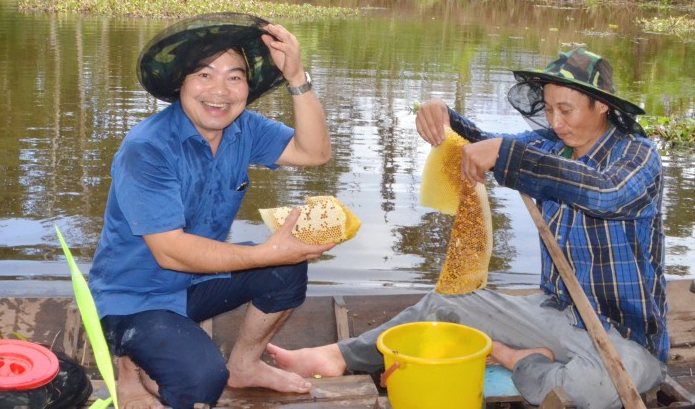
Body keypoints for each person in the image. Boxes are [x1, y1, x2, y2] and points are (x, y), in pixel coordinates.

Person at [269, 47, 667, 409]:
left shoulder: (637, 155)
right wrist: (444, 114)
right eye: (548, 109)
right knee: (450, 303)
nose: (555, 121)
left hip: (625, 337)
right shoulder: (548, 147)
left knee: (597, 388)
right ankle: (338, 355)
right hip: (559, 315)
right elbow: (482, 142)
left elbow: (607, 192)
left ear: (601, 106)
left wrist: (506, 154)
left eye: (566, 110)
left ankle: (515, 358)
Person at [87, 12, 337, 409]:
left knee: (287, 267)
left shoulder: (244, 129)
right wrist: (264, 253)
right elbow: (169, 251)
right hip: (134, 298)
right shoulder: (146, 149)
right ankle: (128, 364)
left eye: (234, 77)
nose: (220, 91)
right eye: (204, 75)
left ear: (246, 88)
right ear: (180, 83)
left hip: (195, 284)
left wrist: (297, 77)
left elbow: (316, 152)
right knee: (200, 383)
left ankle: (245, 365)